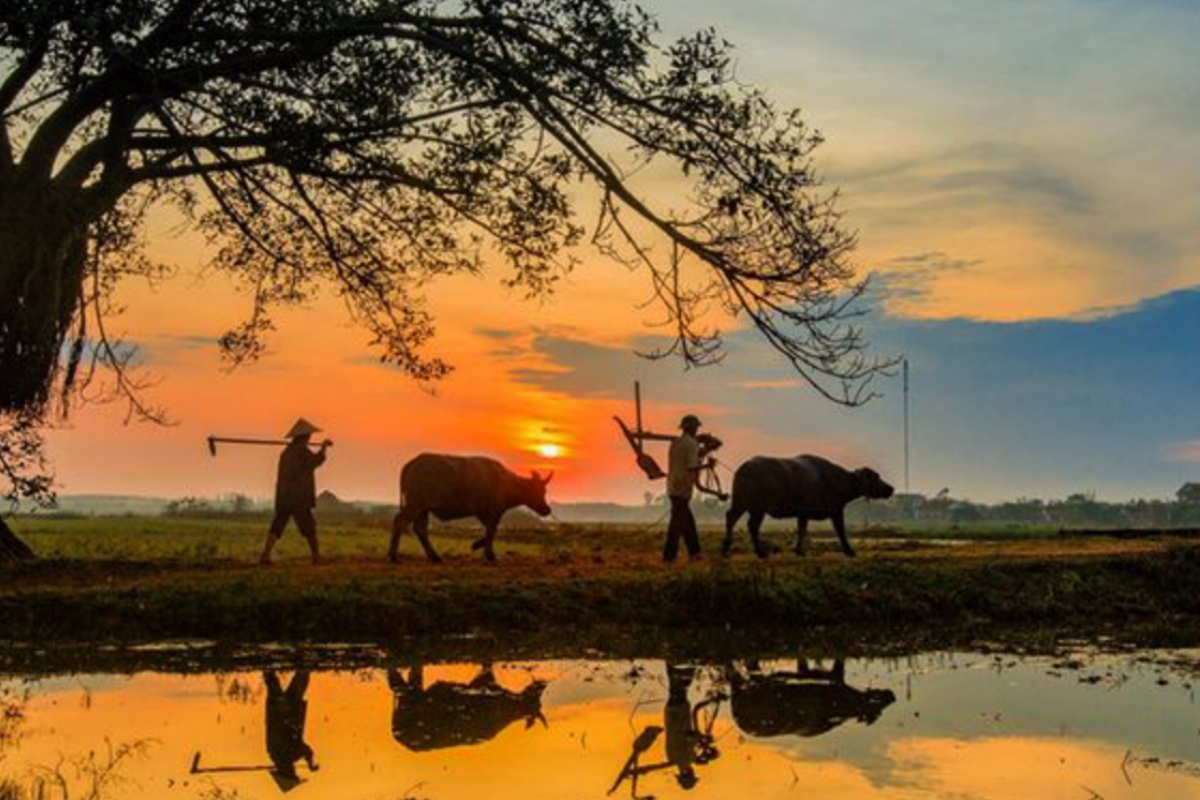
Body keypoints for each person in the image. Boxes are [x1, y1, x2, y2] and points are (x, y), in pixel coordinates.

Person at [260, 418, 331, 565]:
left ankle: (265, 554)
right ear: (304, 437)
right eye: (308, 436)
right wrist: (324, 447)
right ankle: (316, 556)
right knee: (309, 527)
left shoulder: (286, 452)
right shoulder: (301, 451)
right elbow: (317, 461)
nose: (310, 438)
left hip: (285, 496)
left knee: (278, 524)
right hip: (299, 496)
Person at [664, 414, 711, 562]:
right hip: (683, 489)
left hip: (672, 486)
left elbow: (687, 460)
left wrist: (702, 452)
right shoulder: (692, 444)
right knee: (677, 525)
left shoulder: (675, 443)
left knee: (686, 523)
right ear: (692, 428)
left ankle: (694, 553)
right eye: (696, 427)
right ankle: (670, 556)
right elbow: (692, 467)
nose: (697, 430)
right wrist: (707, 465)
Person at [264, 670, 319, 790]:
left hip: (285, 712)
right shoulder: (276, 755)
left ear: (288, 773)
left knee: (299, 681)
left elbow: (304, 750)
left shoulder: (286, 755)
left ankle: (304, 664)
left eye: (293, 774)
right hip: (280, 711)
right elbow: (304, 750)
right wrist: (310, 762)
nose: (294, 771)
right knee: (273, 682)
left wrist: (310, 762)